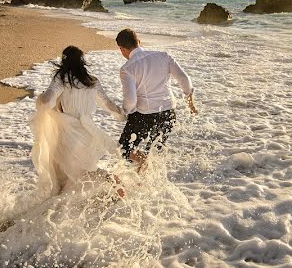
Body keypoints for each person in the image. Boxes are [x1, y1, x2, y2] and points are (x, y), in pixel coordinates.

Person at [31, 46, 126, 194]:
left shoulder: (62, 79)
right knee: (82, 171)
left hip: (69, 134)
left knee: (64, 175)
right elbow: (108, 104)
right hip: (88, 134)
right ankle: (110, 184)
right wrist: (123, 115)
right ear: (82, 62)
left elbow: (47, 100)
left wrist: (41, 99)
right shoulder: (92, 81)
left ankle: (110, 180)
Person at [116, 28, 197, 166]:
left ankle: (145, 168)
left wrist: (124, 112)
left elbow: (131, 101)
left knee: (124, 149)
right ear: (138, 42)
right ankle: (145, 181)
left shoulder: (127, 68)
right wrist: (190, 103)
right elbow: (184, 79)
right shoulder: (163, 56)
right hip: (169, 114)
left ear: (121, 49)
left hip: (145, 116)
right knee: (152, 151)